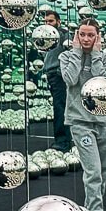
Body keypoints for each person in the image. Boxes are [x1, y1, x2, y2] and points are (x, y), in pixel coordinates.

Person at [61, 19, 106, 211]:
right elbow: (70, 78)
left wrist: (95, 54)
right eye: (82, 35)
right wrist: (77, 53)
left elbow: (101, 82)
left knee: (103, 172)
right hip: (80, 122)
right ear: (76, 36)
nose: (86, 39)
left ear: (97, 37)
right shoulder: (66, 56)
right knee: (93, 171)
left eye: (90, 35)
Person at [42, 10, 71, 151]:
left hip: (58, 75)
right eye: (45, 21)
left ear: (58, 22)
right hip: (52, 74)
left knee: (60, 107)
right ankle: (63, 139)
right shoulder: (47, 37)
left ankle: (63, 141)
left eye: (51, 21)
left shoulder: (62, 36)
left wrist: (61, 71)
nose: (47, 24)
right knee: (59, 106)